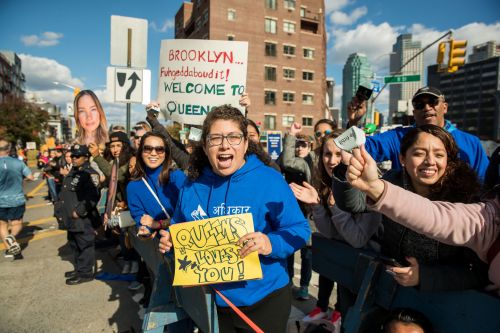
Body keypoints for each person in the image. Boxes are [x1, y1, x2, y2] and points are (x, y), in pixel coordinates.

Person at [158, 105, 310, 333]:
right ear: (205, 145)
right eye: (216, 138)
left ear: (246, 143)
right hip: (212, 300)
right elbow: (179, 227)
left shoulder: (270, 180)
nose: (224, 145)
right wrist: (171, 241)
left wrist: (270, 243)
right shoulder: (192, 184)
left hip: (265, 299)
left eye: (233, 137)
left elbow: (300, 229)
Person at [343, 125, 488, 292]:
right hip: (391, 286)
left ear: (448, 161)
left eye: (439, 155)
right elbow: (354, 204)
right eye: (419, 153)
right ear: (403, 158)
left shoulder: (467, 199)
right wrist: (347, 171)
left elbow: (476, 272)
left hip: (447, 300)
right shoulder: (391, 180)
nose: (430, 161)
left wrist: (424, 276)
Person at [290, 131, 380, 325]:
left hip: (367, 275)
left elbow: (357, 239)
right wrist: (316, 205)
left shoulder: (370, 187)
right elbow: (330, 233)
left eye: (339, 154)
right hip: (346, 267)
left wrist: (336, 208)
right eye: (327, 154)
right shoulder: (327, 184)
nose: (331, 161)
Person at [348, 86, 489, 181]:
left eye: (433, 102)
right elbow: (350, 147)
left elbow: (485, 184)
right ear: (414, 113)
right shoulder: (398, 137)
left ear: (444, 107)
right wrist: (353, 122)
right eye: (419, 105)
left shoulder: (471, 143)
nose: (427, 108)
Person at [280, 127, 316, 300]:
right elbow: (285, 162)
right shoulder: (287, 159)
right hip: (290, 214)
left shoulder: (311, 162)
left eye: (304, 145)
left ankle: (304, 286)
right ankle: (288, 283)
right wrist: (290, 137)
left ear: (310, 147)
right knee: (289, 250)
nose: (300, 148)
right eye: (297, 145)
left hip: (310, 215)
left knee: (307, 255)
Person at [57, 144, 101, 285]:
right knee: (75, 244)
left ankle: (86, 273)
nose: (73, 158)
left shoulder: (89, 173)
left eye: (77, 156)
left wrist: (80, 211)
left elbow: (93, 195)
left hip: (82, 218)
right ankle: (79, 269)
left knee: (84, 245)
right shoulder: (75, 171)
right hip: (71, 216)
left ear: (86, 157)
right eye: (72, 155)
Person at [0, 138, 34, 259]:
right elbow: (30, 177)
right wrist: (21, 179)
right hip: (17, 198)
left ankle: (10, 248)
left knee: (2, 225)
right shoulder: (18, 162)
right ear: (9, 149)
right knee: (17, 223)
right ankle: (12, 238)